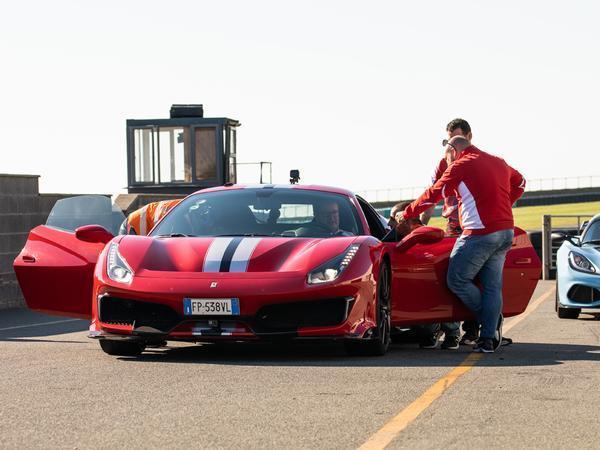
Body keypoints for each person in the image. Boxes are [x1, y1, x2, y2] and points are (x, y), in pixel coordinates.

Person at [397, 136, 525, 353]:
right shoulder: (498, 162)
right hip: (505, 231)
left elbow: (432, 195)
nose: (444, 161)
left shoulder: (460, 165)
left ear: (452, 149)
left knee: (456, 279)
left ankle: (490, 321)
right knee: (492, 286)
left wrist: (407, 213)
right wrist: (506, 204)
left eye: (445, 156)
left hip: (479, 233)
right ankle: (487, 340)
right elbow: (521, 182)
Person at [420, 118, 478, 345]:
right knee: (450, 277)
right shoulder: (442, 164)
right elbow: (432, 194)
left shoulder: (479, 161)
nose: (450, 145)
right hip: (452, 227)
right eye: (447, 140)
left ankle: (474, 329)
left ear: (468, 137)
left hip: (474, 227)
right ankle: (450, 329)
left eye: (455, 139)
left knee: (475, 278)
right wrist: (420, 224)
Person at [387, 201, 461, 350]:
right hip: (412, 287)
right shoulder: (393, 235)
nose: (389, 223)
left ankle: (452, 332)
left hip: (434, 283)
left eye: (393, 218)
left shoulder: (426, 232)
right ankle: (431, 331)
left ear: (405, 220)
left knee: (443, 292)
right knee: (424, 333)